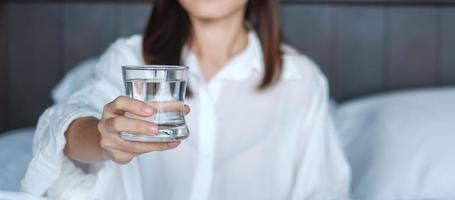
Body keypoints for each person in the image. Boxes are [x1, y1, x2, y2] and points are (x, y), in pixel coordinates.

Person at [22, 0, 350, 199]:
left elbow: (325, 189)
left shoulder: (301, 79)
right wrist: (103, 137)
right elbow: (66, 125)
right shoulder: (129, 58)